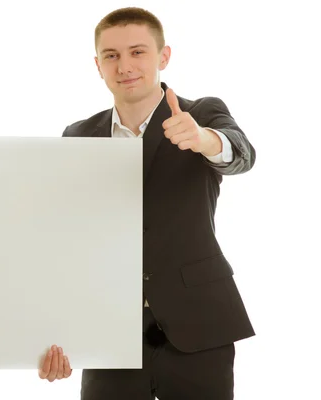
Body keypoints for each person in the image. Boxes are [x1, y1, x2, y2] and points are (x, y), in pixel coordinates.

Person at [40, 7, 256, 400]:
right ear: (98, 65)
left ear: (163, 57)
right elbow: (65, 238)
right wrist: (59, 329)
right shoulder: (78, 135)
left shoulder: (200, 113)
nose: (125, 66)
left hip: (198, 324)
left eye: (137, 52)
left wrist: (205, 139)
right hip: (108, 333)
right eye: (112, 55)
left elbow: (241, 154)